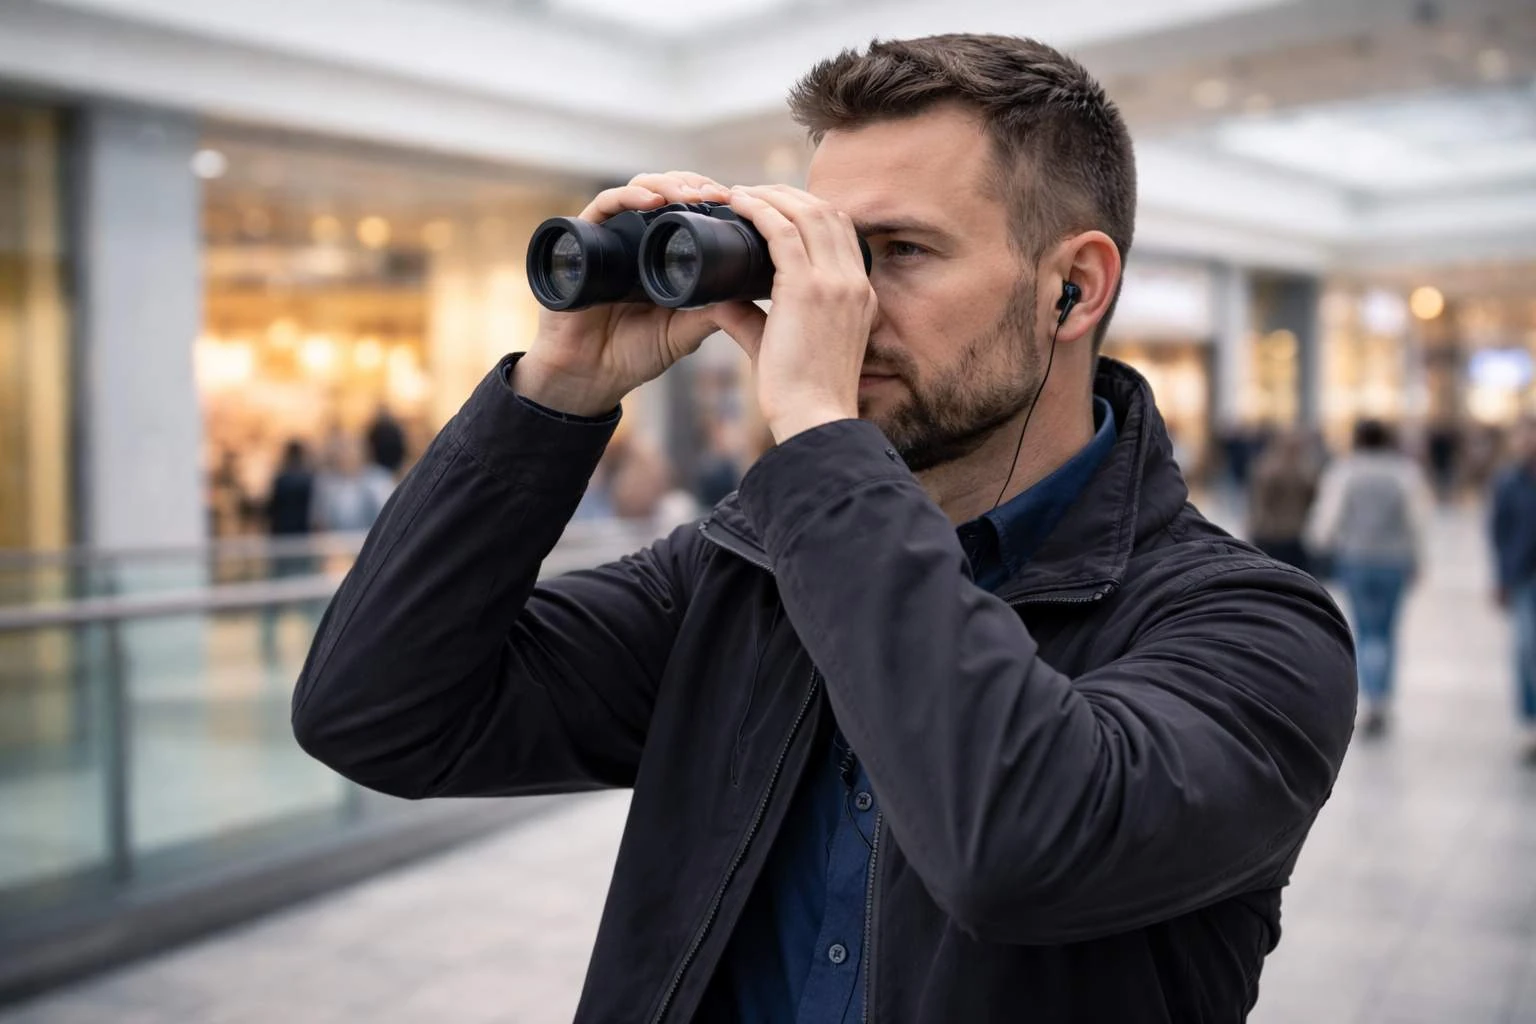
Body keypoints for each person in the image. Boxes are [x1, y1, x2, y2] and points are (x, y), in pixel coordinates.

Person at [292, 35, 1356, 1023]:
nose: (837, 301)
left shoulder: (1258, 631)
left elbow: (1013, 843)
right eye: (826, 251)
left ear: (1072, 290)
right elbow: (377, 713)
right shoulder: (742, 576)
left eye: (898, 251)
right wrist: (554, 394)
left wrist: (815, 425)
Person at [1306, 419, 1434, 737]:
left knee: (1365, 631)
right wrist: (1419, 559)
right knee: (1387, 631)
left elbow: (1327, 517)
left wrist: (1319, 543)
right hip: (1393, 560)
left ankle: (1371, 696)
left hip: (1357, 559)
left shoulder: (1345, 472)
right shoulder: (1404, 473)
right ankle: (1382, 698)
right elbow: (1418, 519)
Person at [1490, 417, 1536, 762]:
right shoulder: (1508, 481)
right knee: (1525, 648)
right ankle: (1529, 721)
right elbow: (1498, 532)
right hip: (1523, 576)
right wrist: (1501, 578)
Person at [261, 440, 317, 664]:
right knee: (308, 597)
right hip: (302, 541)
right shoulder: (309, 479)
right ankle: (312, 642)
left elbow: (270, 510)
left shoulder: (280, 479)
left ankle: (269, 643)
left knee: (275, 596)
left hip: (281, 540)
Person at [1248, 428, 1320, 574]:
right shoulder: (1305, 472)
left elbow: (1259, 502)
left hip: (1272, 532)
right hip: (1292, 532)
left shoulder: (1267, 468)